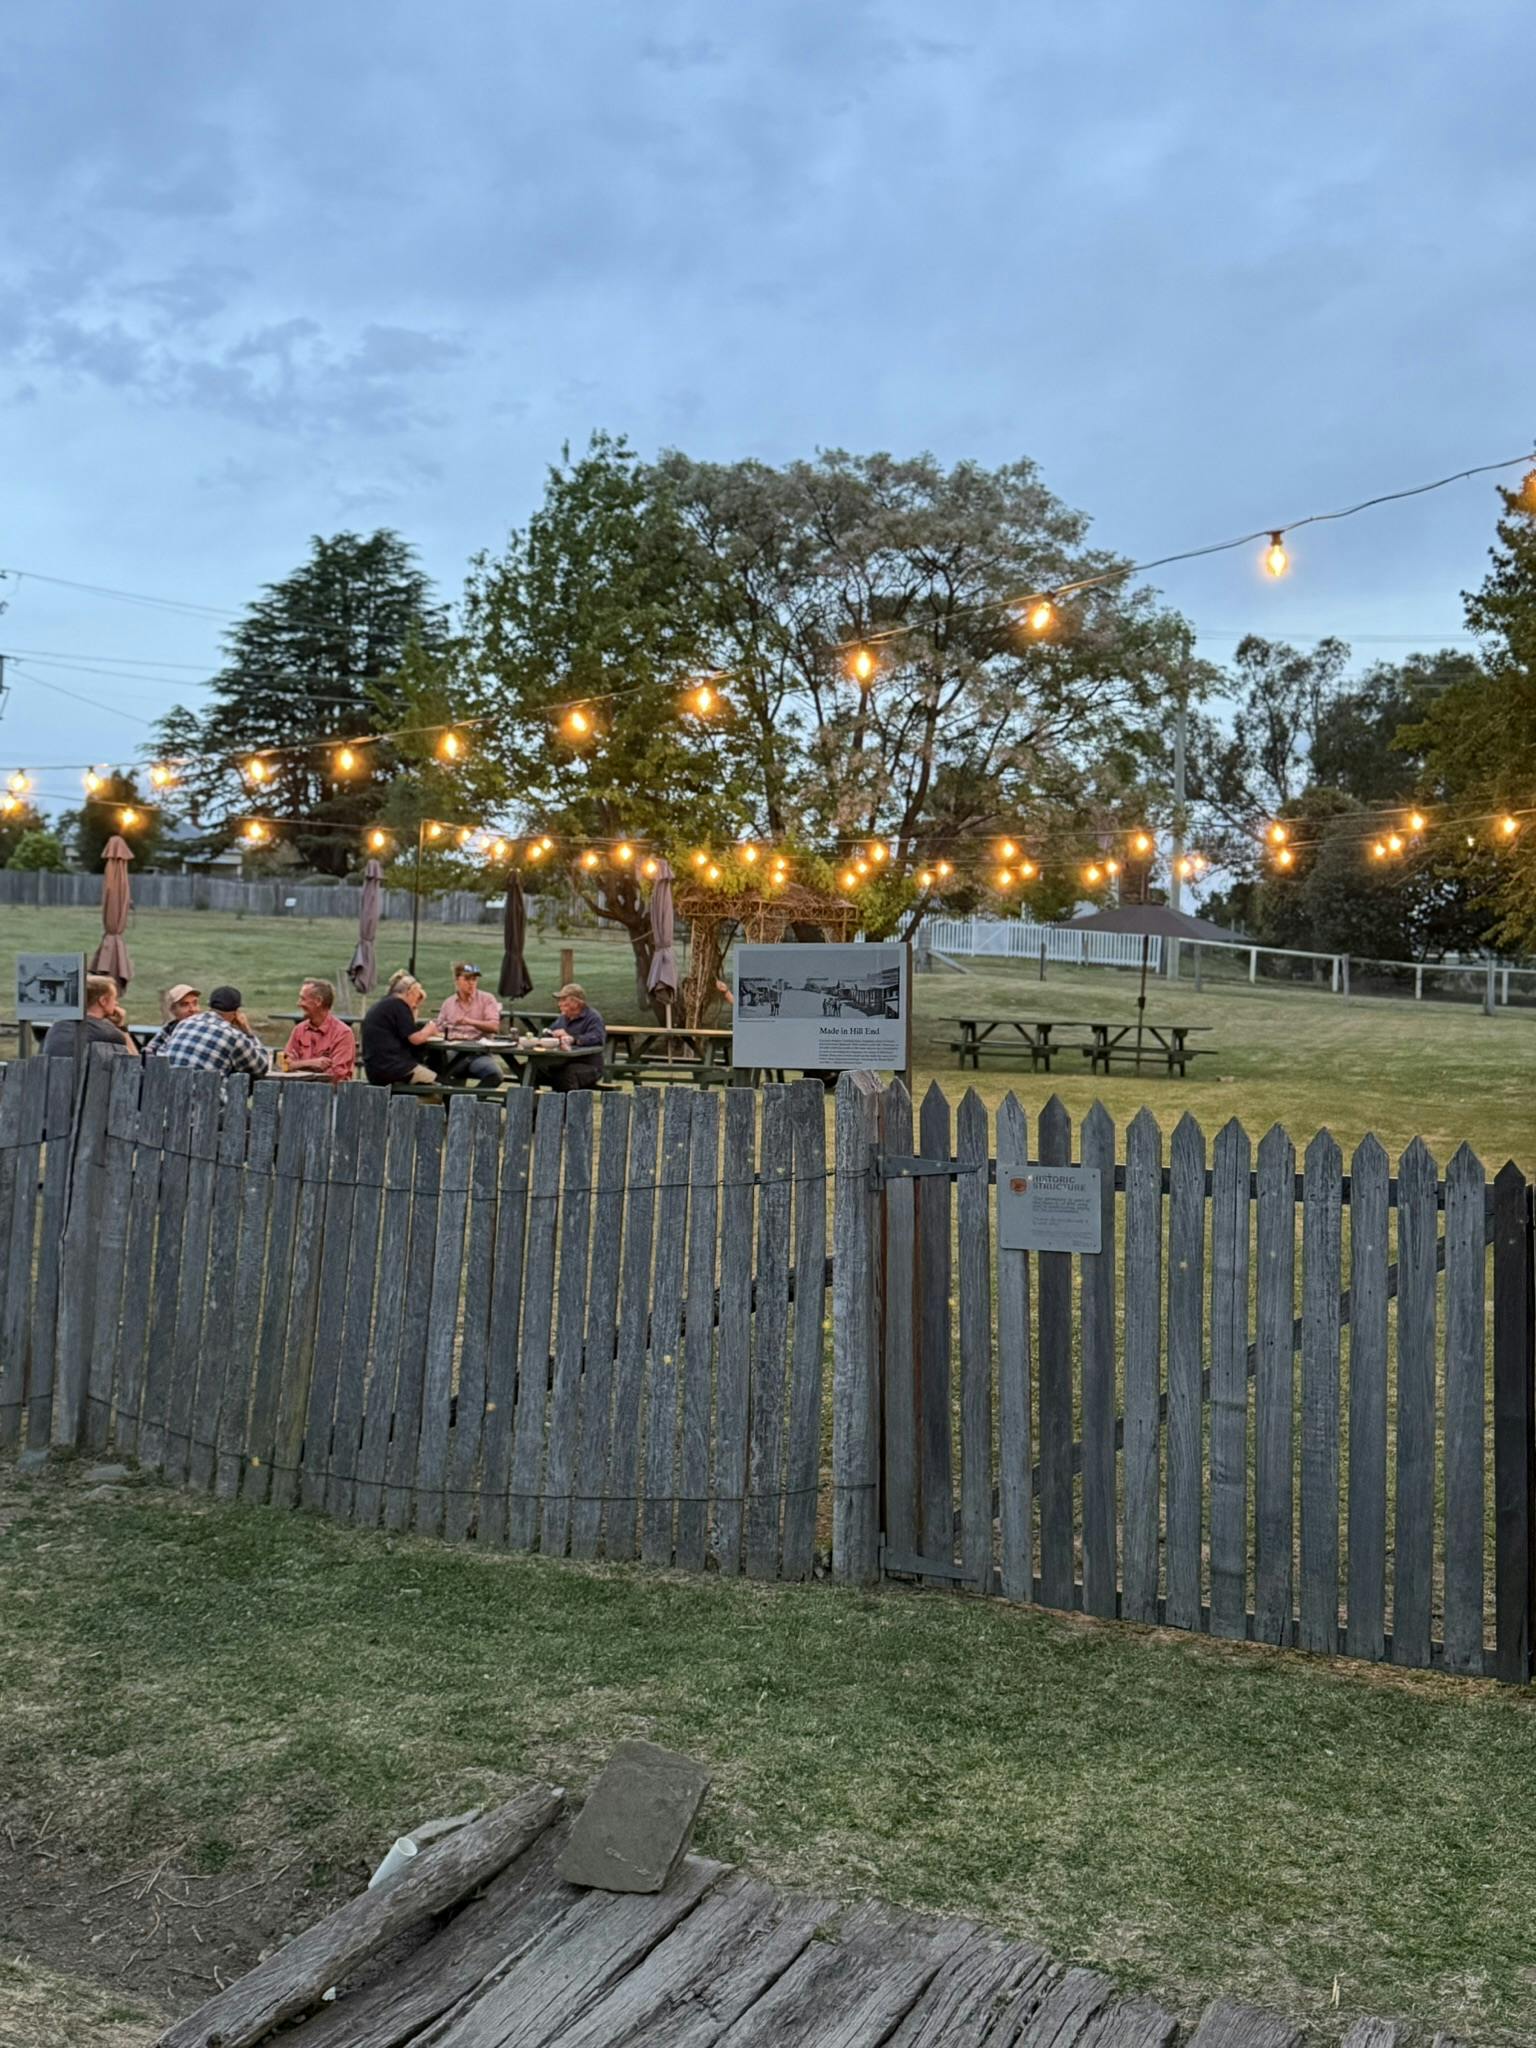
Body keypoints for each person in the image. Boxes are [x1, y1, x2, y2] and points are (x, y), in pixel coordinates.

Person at [164, 985, 274, 1079]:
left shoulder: (184, 1023)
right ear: (236, 1012)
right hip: (204, 1096)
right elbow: (260, 1068)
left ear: (210, 1005)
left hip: (167, 1092)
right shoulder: (234, 1036)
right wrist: (248, 1032)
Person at [362, 973, 441, 1086]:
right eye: (416, 996)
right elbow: (415, 1039)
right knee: (438, 1082)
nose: (416, 1003)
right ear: (410, 993)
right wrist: (430, 1028)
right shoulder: (399, 1005)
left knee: (427, 1078)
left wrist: (414, 1007)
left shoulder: (386, 1004)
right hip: (393, 1068)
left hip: (376, 1068)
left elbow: (407, 1029)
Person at [433, 961, 505, 1084]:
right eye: (467, 979)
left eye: (474, 979)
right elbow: (438, 1029)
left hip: (479, 1052)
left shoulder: (487, 999)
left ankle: (474, 1097)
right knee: (436, 1068)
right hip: (453, 1051)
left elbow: (494, 1026)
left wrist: (468, 1021)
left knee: (495, 1075)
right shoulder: (448, 1003)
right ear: (457, 980)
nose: (471, 983)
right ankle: (449, 1095)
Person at [43, 973, 139, 1064]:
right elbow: (135, 1064)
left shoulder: (57, 1027)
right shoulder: (109, 1033)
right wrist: (122, 1027)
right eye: (114, 998)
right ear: (103, 1001)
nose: (116, 1003)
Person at [282, 977, 357, 1083]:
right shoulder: (299, 1030)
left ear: (318, 1001)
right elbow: (284, 1064)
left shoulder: (343, 1033)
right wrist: (312, 1063)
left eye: (303, 999)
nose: (298, 1004)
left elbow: (337, 1075)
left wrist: (296, 1066)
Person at [548, 981, 605, 1091]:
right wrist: (551, 1036)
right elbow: (550, 1032)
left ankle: (570, 1102)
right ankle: (532, 1102)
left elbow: (597, 1038)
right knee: (531, 1069)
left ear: (576, 1002)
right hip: (562, 1062)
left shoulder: (593, 1017)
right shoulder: (562, 1018)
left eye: (563, 1000)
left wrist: (573, 1039)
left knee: (565, 1074)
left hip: (588, 1065)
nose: (559, 1004)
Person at [141, 983, 200, 1057]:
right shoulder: (167, 1032)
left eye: (195, 1003)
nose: (193, 1009)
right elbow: (148, 1053)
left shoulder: (206, 1029)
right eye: (185, 1004)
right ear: (173, 1009)